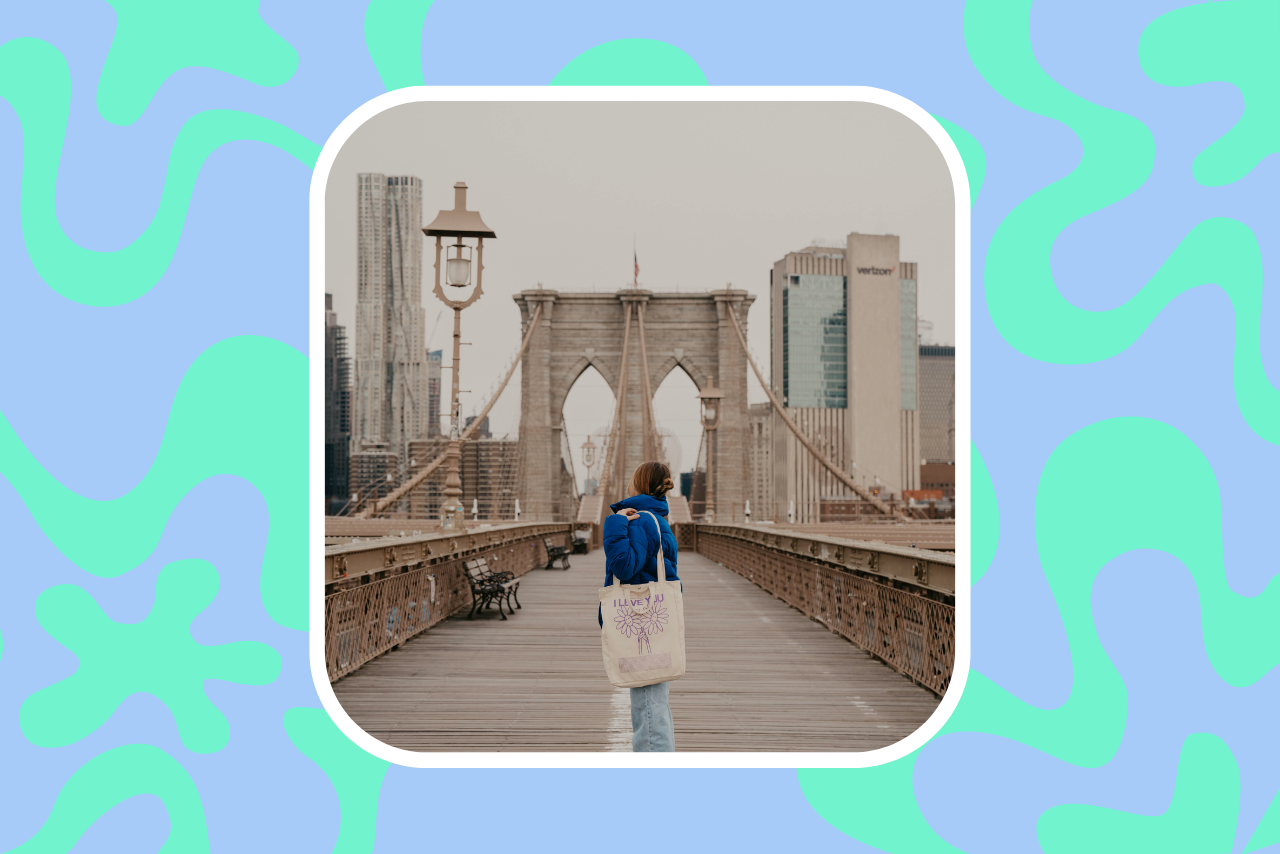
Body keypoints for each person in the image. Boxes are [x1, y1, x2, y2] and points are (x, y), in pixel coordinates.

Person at [600, 460, 681, 752]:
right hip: (657, 622)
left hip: (641, 625)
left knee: (648, 710)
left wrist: (616, 523)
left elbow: (624, 566)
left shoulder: (642, 519)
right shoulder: (659, 519)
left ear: (638, 485)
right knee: (656, 707)